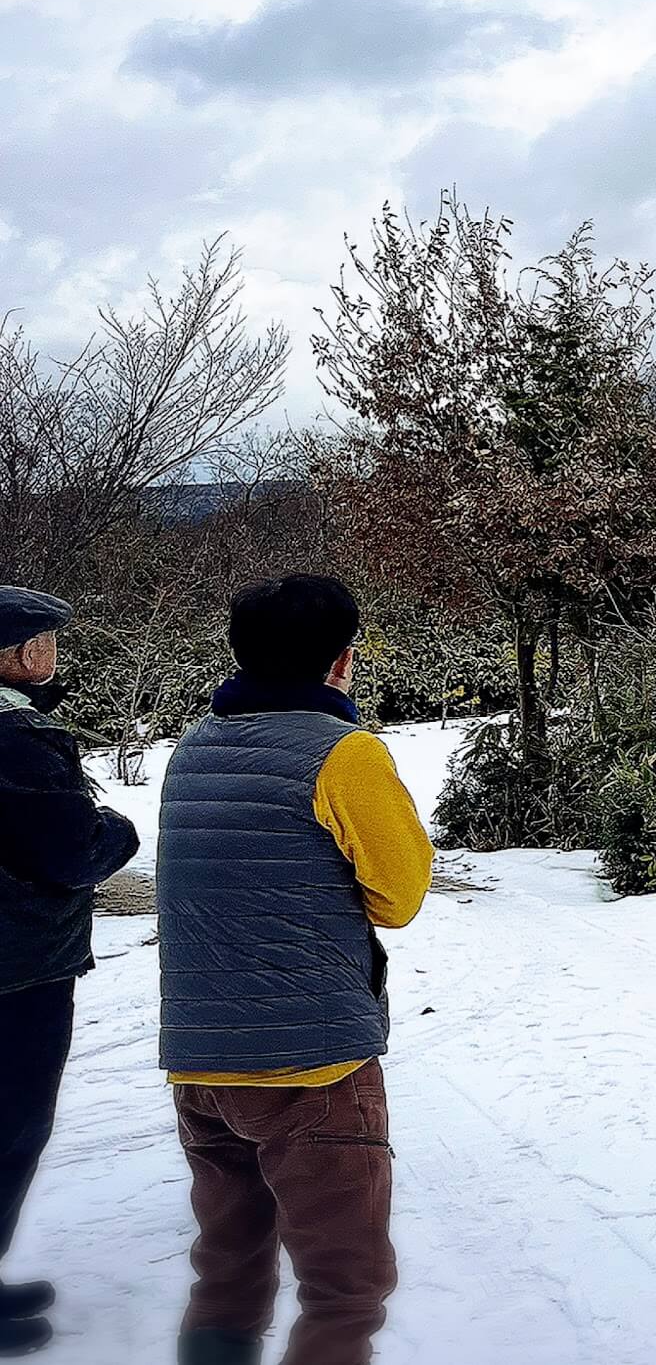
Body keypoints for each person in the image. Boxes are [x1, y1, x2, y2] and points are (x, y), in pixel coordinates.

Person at [157, 575, 432, 1365]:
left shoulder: (192, 750)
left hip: (202, 1061)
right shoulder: (345, 753)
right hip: (313, 1062)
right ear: (342, 662)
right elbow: (400, 895)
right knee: (345, 1286)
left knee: (228, 1270)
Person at [0, 587, 141, 1360]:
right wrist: (118, 829)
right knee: (12, 1124)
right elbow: (73, 849)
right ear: (21, 655)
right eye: (46, 643)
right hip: (18, 967)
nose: (54, 658)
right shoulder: (19, 738)